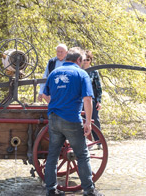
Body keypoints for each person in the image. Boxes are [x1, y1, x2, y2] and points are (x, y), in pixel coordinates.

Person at [43, 47, 103, 196]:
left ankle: (51, 190)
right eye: (82, 61)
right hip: (71, 119)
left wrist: (56, 104)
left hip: (54, 118)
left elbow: (45, 94)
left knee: (53, 155)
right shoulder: (81, 74)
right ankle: (89, 190)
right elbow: (88, 99)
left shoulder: (54, 73)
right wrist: (88, 122)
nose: (83, 63)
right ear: (78, 60)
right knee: (82, 155)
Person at [82, 51, 102, 150]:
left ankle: (99, 141)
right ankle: (85, 141)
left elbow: (98, 87)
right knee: (82, 120)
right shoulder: (79, 70)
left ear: (90, 61)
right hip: (80, 99)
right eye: (84, 59)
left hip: (91, 99)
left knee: (94, 120)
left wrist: (99, 101)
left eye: (87, 59)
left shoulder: (94, 71)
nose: (85, 61)